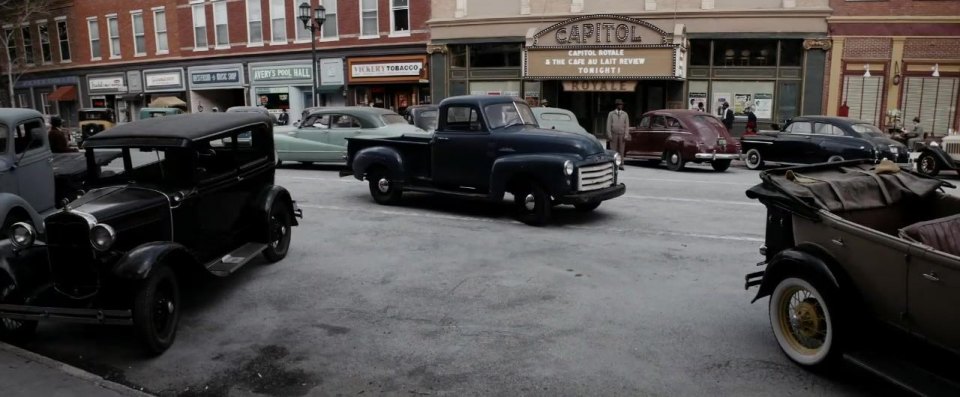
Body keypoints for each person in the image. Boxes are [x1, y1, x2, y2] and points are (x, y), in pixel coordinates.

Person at [606, 98, 629, 170]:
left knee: (621, 150)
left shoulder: (625, 114)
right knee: (613, 150)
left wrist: (626, 135)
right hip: (614, 134)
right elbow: (608, 124)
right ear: (617, 106)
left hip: (622, 134)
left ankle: (621, 164)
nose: (621, 106)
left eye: (622, 105)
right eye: (620, 105)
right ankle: (613, 164)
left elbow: (627, 125)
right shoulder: (611, 114)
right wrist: (609, 134)